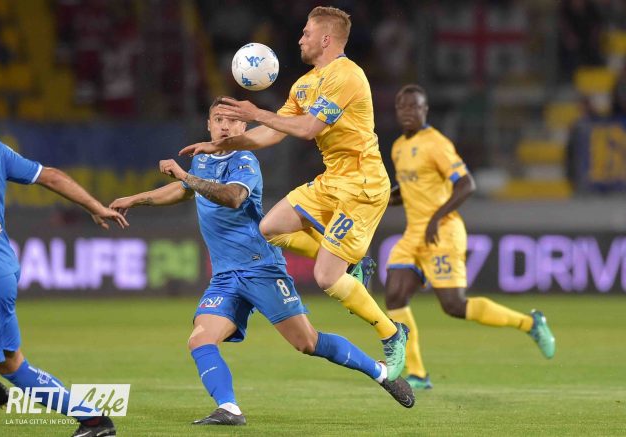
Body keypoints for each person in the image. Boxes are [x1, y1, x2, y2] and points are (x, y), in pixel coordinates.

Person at [110, 97, 415, 426]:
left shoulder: (245, 160)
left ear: (244, 127)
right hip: (225, 277)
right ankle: (229, 408)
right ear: (208, 125)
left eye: (232, 120)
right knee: (200, 339)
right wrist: (135, 199)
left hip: (261, 269)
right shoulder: (202, 160)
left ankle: (379, 372)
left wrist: (184, 175)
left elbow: (233, 197)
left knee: (307, 342)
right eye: (218, 119)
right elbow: (183, 190)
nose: (225, 126)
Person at [179, 6, 408, 382]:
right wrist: (221, 145)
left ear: (326, 39)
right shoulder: (304, 84)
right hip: (333, 179)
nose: (300, 39)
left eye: (306, 33)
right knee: (271, 226)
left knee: (326, 278)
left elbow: (307, 128)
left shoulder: (347, 75)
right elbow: (274, 132)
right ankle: (353, 264)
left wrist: (257, 112)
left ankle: (391, 332)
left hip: (362, 185)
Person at [384, 84, 556, 390]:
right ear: (397, 111)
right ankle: (418, 373)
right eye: (403, 107)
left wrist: (436, 218)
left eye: (415, 107)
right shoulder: (397, 147)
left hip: (442, 231)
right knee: (395, 294)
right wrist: (380, 197)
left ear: (425, 110)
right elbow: (407, 192)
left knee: (454, 306)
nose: (409, 112)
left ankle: (530, 323)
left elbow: (466, 184)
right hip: (414, 234)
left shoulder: (436, 144)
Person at [0, 137, 128, 436]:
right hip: (1, 266)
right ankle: (93, 421)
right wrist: (94, 205)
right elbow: (50, 176)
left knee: (11, 364)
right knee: (12, 364)